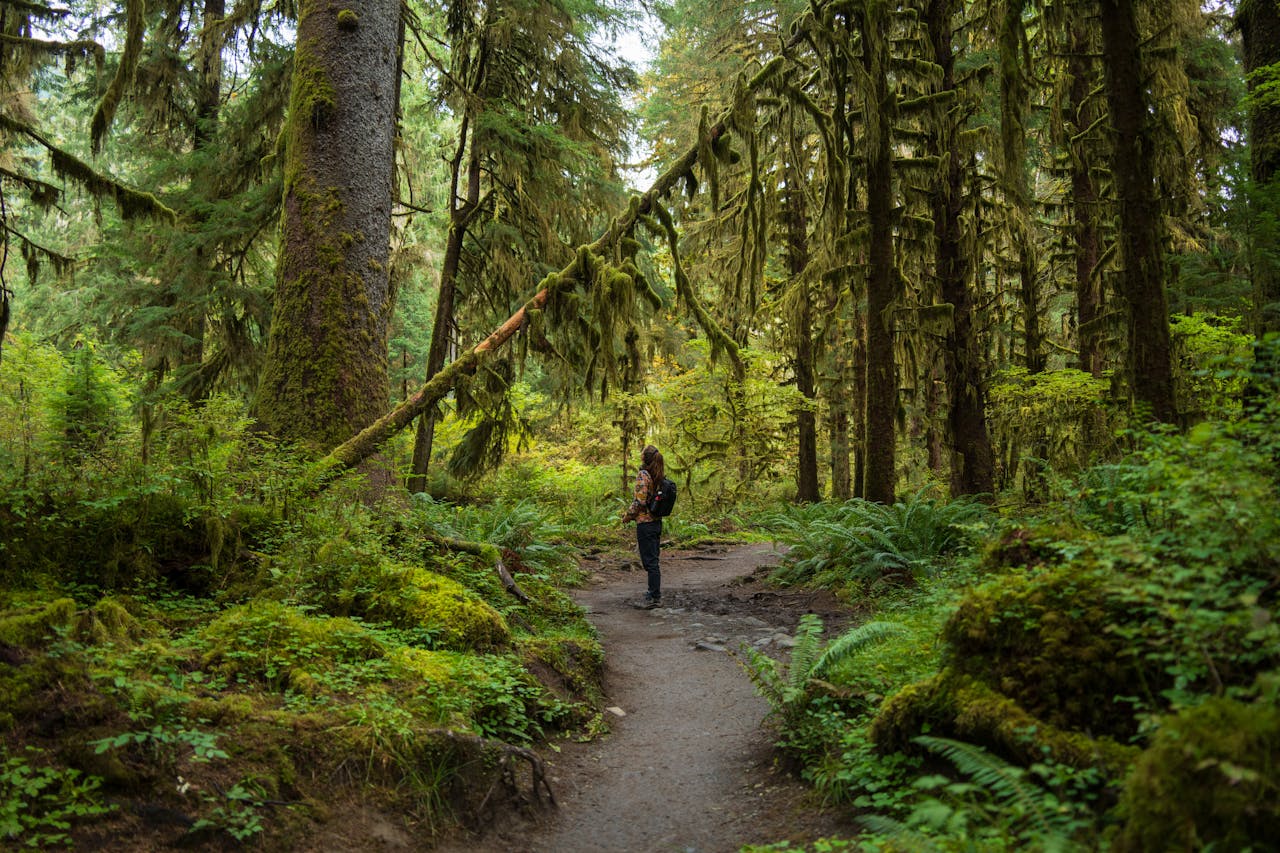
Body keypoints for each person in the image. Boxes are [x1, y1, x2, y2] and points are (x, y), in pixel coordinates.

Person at [621, 444, 664, 609]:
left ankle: (654, 595)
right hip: (657, 522)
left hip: (645, 524)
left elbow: (639, 501)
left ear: (645, 458)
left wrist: (627, 516)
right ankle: (653, 592)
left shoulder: (643, 475)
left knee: (649, 562)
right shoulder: (658, 475)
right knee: (654, 560)